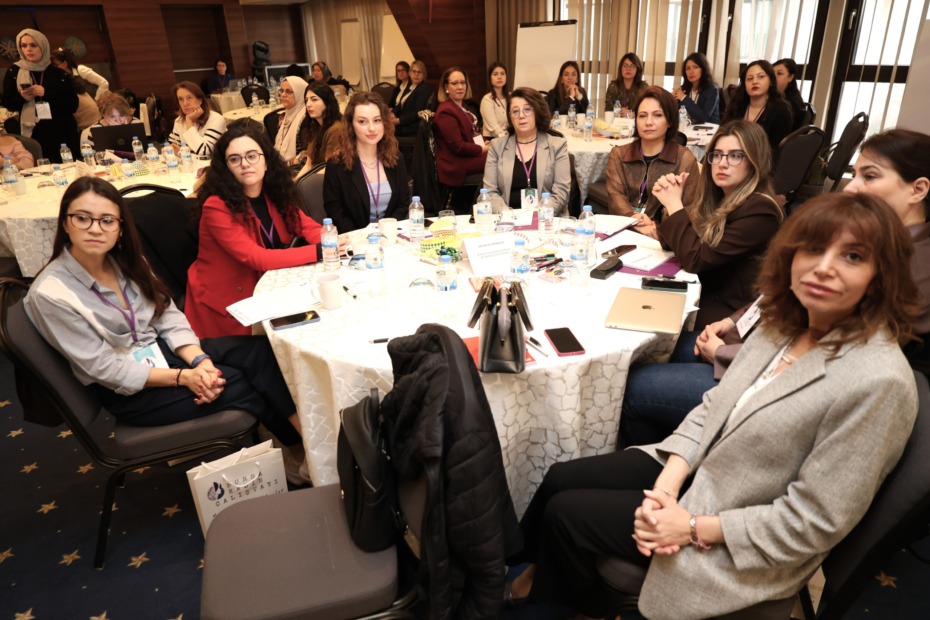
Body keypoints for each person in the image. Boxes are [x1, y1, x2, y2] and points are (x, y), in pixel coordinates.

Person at [506, 190, 920, 619]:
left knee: (567, 515)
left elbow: (810, 525)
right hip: (707, 468)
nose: (824, 266)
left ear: (882, 276)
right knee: (561, 477)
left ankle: (553, 601)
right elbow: (714, 406)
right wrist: (667, 486)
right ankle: (528, 574)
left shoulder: (878, 381)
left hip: (736, 523)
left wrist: (687, 525)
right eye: (813, 248)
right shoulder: (785, 324)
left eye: (853, 257)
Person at [620, 128, 930, 448]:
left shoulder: (909, 270)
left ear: (918, 189)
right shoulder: (875, 242)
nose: (850, 188)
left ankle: (675, 459)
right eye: (718, 155)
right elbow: (781, 293)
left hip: (779, 388)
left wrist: (726, 355)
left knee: (636, 384)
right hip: (757, 341)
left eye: (870, 176)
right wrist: (732, 323)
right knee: (654, 350)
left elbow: (827, 362)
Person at [25, 177, 310, 467]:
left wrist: (199, 360)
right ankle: (302, 454)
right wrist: (184, 377)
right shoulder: (51, 293)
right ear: (65, 223)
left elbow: (166, 313)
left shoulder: (124, 260)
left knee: (261, 352)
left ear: (120, 227)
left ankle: (307, 448)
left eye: (107, 220)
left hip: (162, 353)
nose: (96, 229)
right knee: (244, 381)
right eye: (83, 218)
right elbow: (104, 368)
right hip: (132, 390)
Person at [634, 120, 783, 326]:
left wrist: (674, 204)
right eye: (718, 155)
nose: (722, 163)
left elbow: (696, 259)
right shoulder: (720, 197)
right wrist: (671, 207)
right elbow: (680, 246)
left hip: (725, 317)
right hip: (700, 293)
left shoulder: (760, 210)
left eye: (735, 156)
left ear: (754, 161)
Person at [185, 125, 324, 339]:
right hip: (229, 303)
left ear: (266, 161)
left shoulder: (274, 193)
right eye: (234, 159)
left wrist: (331, 241)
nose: (245, 164)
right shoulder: (216, 206)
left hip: (267, 287)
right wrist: (319, 251)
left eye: (252, 156)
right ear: (226, 168)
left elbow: (306, 226)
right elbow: (257, 258)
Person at [606, 86, 700, 220]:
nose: (648, 122)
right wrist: (635, 221)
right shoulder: (619, 155)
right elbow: (616, 198)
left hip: (666, 229)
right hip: (625, 225)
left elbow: (690, 208)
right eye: (642, 116)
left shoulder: (684, 159)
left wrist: (656, 227)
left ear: (670, 121)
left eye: (658, 115)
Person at [323, 92, 411, 232]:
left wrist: (387, 232)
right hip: (354, 239)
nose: (372, 128)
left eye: (377, 120)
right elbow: (336, 214)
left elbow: (403, 203)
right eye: (362, 122)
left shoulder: (395, 158)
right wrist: (364, 238)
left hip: (390, 236)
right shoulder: (336, 165)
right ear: (351, 125)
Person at [482, 87, 571, 214]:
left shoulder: (557, 146)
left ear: (537, 112)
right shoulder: (497, 147)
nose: (521, 116)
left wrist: (537, 216)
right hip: (506, 219)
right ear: (510, 117)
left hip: (546, 219)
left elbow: (561, 193)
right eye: (515, 111)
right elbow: (490, 192)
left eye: (527, 109)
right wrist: (507, 215)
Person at [1, 29, 79, 163]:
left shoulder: (58, 74)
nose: (28, 49)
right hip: (34, 132)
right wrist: (22, 98)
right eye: (24, 46)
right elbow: (8, 103)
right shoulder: (14, 71)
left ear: (43, 46)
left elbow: (73, 105)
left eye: (33, 45)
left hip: (62, 130)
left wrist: (46, 94)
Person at [433, 66, 490, 212]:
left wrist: (485, 142)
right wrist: (482, 149)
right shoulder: (446, 111)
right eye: (454, 83)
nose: (460, 87)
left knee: (497, 156)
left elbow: (472, 133)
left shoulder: (461, 107)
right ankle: (481, 205)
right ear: (446, 87)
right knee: (495, 161)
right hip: (455, 163)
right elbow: (458, 146)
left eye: (462, 83)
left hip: (466, 156)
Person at [723, 60, 793, 152]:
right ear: (744, 85)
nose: (755, 82)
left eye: (761, 77)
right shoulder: (738, 105)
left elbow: (775, 149)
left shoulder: (781, 110)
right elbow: (724, 132)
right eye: (750, 79)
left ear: (771, 81)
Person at [294, 82, 343, 176]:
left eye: (314, 99)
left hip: (326, 178)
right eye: (306, 100)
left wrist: (305, 182)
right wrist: (297, 182)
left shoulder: (336, 129)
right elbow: (309, 164)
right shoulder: (315, 126)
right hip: (314, 175)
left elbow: (329, 170)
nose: (308, 104)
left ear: (327, 102)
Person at [168, 81, 227, 158]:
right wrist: (172, 148)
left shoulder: (216, 119)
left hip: (213, 163)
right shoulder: (179, 120)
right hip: (189, 163)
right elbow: (172, 144)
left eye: (189, 98)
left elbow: (204, 151)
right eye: (181, 99)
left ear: (200, 100)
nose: (185, 103)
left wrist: (189, 121)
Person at [671, 52, 719, 124]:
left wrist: (683, 98)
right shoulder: (684, 89)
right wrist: (672, 100)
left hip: (708, 128)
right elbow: (675, 115)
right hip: (686, 128)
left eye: (695, 67)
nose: (691, 71)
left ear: (703, 69)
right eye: (688, 68)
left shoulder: (712, 90)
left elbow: (703, 117)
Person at [272, 75, 308, 165]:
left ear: (300, 94)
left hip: (297, 169)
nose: (283, 95)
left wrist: (284, 166)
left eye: (288, 91)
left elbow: (306, 155)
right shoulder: (283, 117)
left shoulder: (307, 119)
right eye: (281, 91)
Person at [390, 60, 432, 138]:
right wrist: (392, 113)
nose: (416, 74)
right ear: (410, 73)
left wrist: (399, 120)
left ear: (423, 75)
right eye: (414, 71)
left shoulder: (424, 89)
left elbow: (418, 112)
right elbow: (400, 104)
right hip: (404, 122)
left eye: (419, 72)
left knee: (383, 129)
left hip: (412, 126)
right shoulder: (411, 87)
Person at [774, 57, 807, 131]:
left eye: (779, 73)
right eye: (772, 74)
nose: (774, 77)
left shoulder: (791, 104)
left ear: (790, 77)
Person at [480, 62, 510, 140]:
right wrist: (508, 140)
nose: (499, 77)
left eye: (502, 74)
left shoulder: (511, 97)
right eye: (495, 74)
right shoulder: (487, 99)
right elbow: (494, 129)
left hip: (509, 137)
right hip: (493, 139)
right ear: (490, 78)